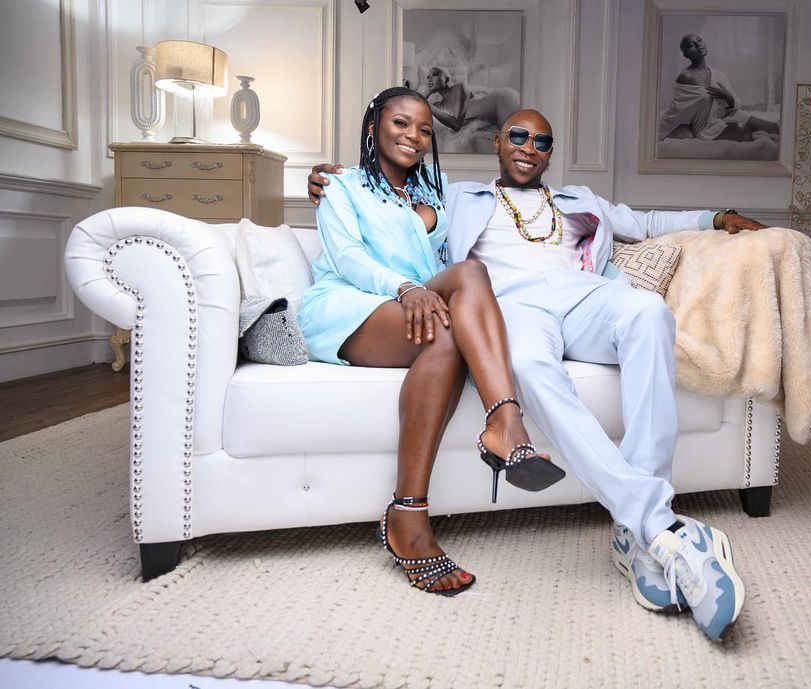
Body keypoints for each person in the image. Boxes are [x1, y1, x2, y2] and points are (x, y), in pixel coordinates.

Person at [308, 109, 766, 640]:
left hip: (585, 296)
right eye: (519, 137)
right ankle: (655, 529)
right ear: (498, 142)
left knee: (649, 313)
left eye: (541, 142)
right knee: (525, 365)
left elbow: (647, 222)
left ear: (550, 153)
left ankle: (637, 527)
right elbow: (390, 190)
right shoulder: (456, 196)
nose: (528, 148)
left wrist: (717, 218)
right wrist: (330, 177)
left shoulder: (580, 200)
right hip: (512, 307)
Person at [300, 88, 564, 597]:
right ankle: (501, 431)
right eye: (401, 123)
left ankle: (414, 511)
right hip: (352, 304)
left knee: (468, 282)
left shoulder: (437, 188)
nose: (414, 137)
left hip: (421, 303)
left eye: (425, 130)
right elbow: (348, 258)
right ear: (374, 127)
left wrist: (422, 291)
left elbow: (477, 226)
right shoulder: (341, 186)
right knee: (447, 329)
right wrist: (406, 288)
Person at [658, 33, 780, 142]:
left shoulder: (719, 74)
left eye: (699, 40)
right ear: (686, 54)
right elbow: (674, 111)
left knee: (774, 128)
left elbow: (736, 103)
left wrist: (727, 96)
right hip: (707, 127)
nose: (698, 45)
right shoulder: (686, 77)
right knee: (743, 131)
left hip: (729, 115)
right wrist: (658, 132)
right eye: (691, 45)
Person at [420, 66, 520, 153]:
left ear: (446, 80)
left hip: (502, 100)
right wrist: (427, 93)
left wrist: (429, 106)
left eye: (435, 75)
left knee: (517, 147)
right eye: (428, 77)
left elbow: (456, 124)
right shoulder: (440, 105)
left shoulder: (459, 88)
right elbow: (417, 107)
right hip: (496, 109)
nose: (430, 79)